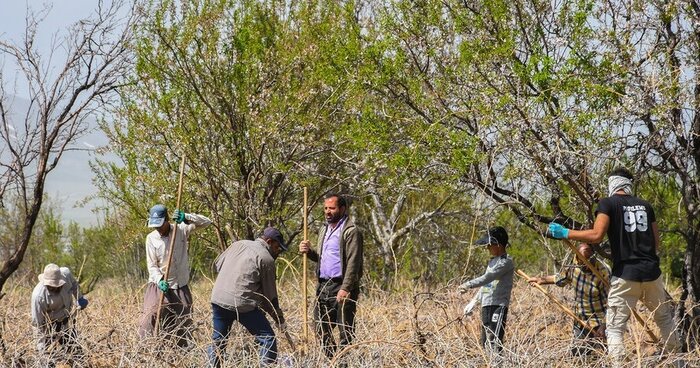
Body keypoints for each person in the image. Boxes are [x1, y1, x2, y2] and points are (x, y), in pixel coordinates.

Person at [549, 167, 681, 363]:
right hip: (652, 273)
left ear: (612, 184)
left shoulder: (607, 203)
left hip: (626, 274)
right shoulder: (646, 206)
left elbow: (596, 235)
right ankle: (680, 362)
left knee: (615, 328)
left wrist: (566, 232)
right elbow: (656, 243)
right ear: (628, 184)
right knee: (664, 320)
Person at [207, 227, 288, 367]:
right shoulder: (266, 259)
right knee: (267, 338)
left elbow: (217, 265)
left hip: (218, 298)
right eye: (276, 247)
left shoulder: (238, 244)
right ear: (269, 241)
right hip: (241, 304)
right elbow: (270, 298)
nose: (277, 251)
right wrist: (279, 320)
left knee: (218, 340)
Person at [298, 193, 363, 359]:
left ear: (342, 208)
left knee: (345, 330)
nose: (328, 211)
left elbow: (353, 263)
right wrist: (309, 252)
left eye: (332, 208)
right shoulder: (324, 229)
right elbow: (322, 258)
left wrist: (346, 288)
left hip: (341, 286)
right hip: (323, 286)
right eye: (326, 208)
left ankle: (344, 363)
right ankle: (332, 360)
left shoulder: (350, 231)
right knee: (320, 327)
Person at [138, 204, 212, 347]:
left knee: (183, 322)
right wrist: (159, 280)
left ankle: (182, 352)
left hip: (180, 285)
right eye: (154, 226)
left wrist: (187, 217)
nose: (157, 229)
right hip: (159, 285)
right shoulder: (151, 238)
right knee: (149, 319)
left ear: (167, 220)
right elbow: (152, 265)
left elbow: (207, 222)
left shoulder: (181, 229)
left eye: (160, 225)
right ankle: (148, 350)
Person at [528, 243, 610, 356]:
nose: (582, 265)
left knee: (609, 356)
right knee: (578, 355)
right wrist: (541, 280)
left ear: (593, 257)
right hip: (580, 320)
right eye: (580, 261)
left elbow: (612, 303)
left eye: (585, 262)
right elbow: (561, 278)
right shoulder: (575, 265)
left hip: (600, 322)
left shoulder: (603, 272)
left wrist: (603, 326)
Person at [458, 226, 514, 356]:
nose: (487, 248)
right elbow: (487, 285)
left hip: (498, 305)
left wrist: (468, 284)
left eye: (490, 245)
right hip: (486, 304)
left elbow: (488, 277)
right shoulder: (492, 262)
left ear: (498, 245)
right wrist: (474, 302)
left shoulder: (506, 262)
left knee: (494, 340)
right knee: (485, 341)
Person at [31, 264, 88, 361]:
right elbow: (38, 326)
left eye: (57, 285)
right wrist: (42, 352)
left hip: (66, 323)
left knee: (77, 356)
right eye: (51, 286)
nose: (55, 288)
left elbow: (74, 285)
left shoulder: (66, 274)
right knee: (49, 360)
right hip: (49, 328)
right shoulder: (38, 297)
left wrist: (80, 297)